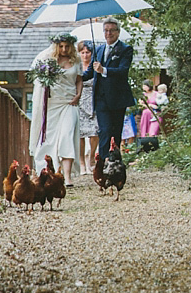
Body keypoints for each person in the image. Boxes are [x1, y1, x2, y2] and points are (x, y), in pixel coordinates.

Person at [28, 32, 83, 184]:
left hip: (69, 102)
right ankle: (46, 171)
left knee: (67, 135)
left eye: (67, 46)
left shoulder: (76, 59)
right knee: (49, 138)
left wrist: (78, 95)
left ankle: (67, 176)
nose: (64, 49)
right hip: (52, 103)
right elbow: (38, 79)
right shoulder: (48, 60)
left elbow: (79, 80)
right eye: (61, 46)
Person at [82, 17, 135, 161]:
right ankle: (103, 163)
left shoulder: (125, 49)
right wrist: (75, 77)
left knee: (115, 131)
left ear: (118, 32)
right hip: (100, 98)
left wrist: (104, 70)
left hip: (118, 98)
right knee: (104, 130)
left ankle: (115, 161)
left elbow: (123, 71)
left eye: (111, 30)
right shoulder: (98, 49)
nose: (108, 33)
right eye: (106, 30)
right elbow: (89, 73)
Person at [76, 39, 100, 175]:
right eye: (83, 52)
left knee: (94, 132)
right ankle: (81, 163)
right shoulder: (77, 66)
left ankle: (91, 158)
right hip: (79, 101)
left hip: (93, 101)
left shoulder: (94, 66)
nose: (85, 55)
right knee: (80, 134)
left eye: (88, 52)